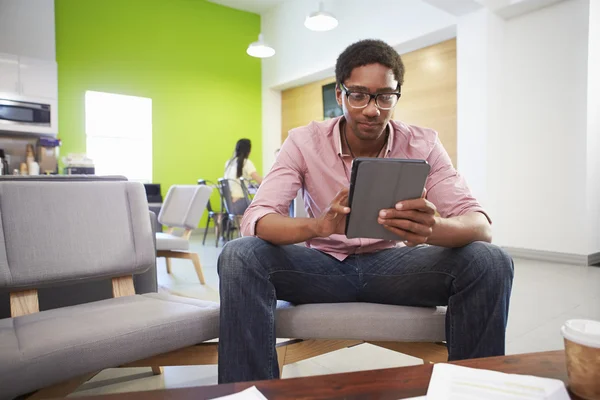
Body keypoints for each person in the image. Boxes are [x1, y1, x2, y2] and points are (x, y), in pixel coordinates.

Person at [217, 39, 514, 383]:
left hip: (395, 268)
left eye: (384, 96)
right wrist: (319, 226)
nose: (372, 109)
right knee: (239, 254)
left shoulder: (424, 143)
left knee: (490, 260)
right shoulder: (302, 141)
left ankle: (472, 390)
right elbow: (258, 218)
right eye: (358, 95)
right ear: (340, 95)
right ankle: (249, 391)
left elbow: (479, 224)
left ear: (396, 94)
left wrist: (432, 229)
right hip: (321, 269)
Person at [223, 138, 263, 215]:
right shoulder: (246, 162)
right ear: (248, 151)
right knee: (262, 206)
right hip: (240, 204)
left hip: (228, 204)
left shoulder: (229, 163)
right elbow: (261, 181)